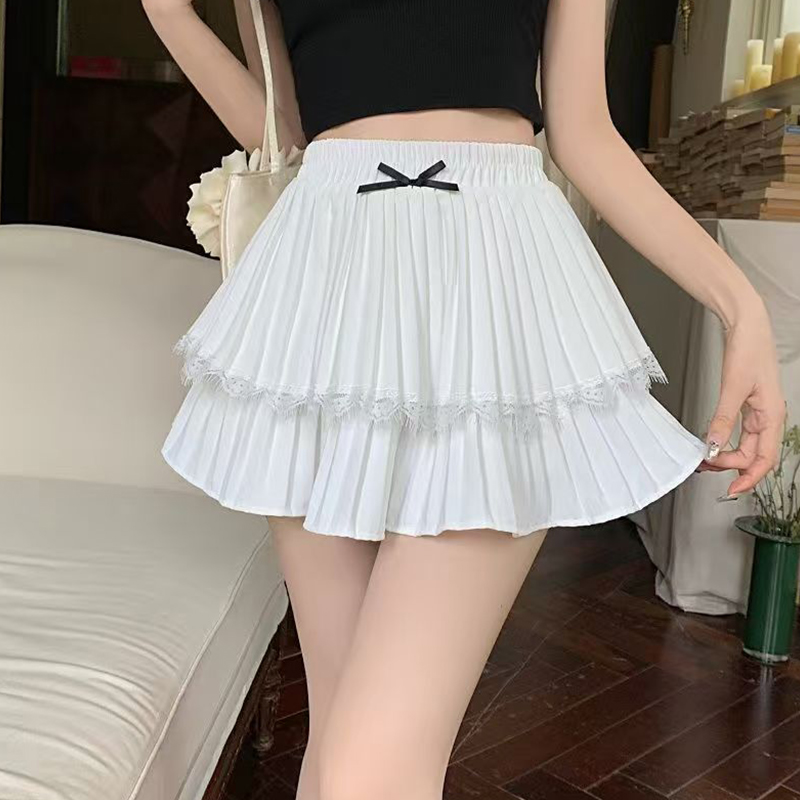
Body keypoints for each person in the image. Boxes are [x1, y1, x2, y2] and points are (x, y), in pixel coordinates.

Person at [144, 2, 785, 798]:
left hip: (490, 278)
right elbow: (287, 131)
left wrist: (740, 304)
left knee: (366, 767)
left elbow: (584, 133)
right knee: (343, 739)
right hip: (323, 284)